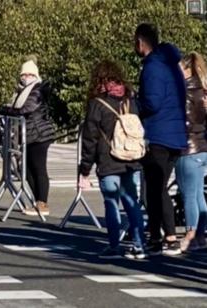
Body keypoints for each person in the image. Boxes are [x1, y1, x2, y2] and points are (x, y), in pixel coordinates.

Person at [79, 60, 146, 259]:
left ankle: (114, 246)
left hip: (108, 160)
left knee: (111, 202)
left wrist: (84, 169)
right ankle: (139, 244)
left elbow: (90, 139)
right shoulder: (130, 99)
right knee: (131, 201)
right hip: (132, 157)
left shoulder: (97, 104)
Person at [134, 23, 187, 256]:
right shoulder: (172, 65)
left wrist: (135, 104)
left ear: (140, 42)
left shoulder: (153, 67)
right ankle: (160, 236)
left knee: (155, 189)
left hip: (158, 133)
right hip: (175, 132)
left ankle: (166, 236)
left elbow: (152, 103)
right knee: (157, 188)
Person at [0, 58, 55, 216]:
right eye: (24, 74)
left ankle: (42, 203)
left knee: (38, 168)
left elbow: (25, 109)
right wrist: (2, 107)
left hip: (39, 134)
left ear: (36, 75)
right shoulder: (21, 91)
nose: (26, 77)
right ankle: (38, 202)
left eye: (30, 74)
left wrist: (1, 109)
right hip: (28, 135)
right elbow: (17, 107)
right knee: (25, 169)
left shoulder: (37, 90)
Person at [175, 52, 207, 252]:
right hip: (203, 147)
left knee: (188, 195)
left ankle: (191, 235)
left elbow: (185, 120)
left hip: (188, 147)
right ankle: (201, 234)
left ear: (186, 69)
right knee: (198, 195)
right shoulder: (203, 91)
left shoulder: (185, 91)